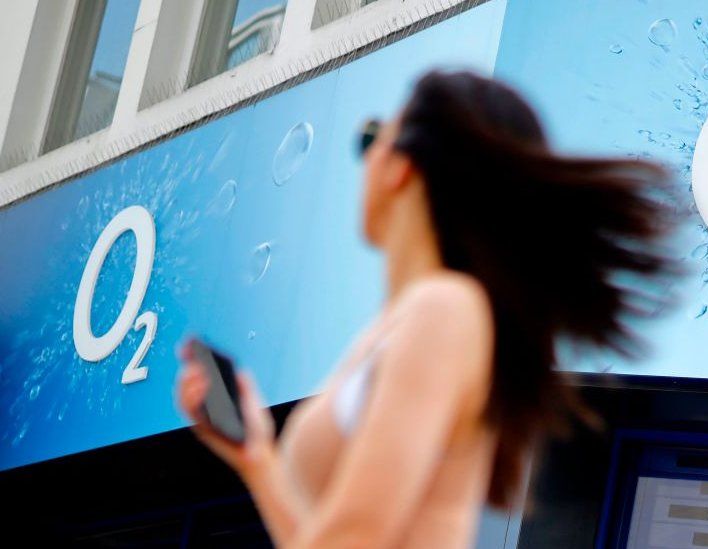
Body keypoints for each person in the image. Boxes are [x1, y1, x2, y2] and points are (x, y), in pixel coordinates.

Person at [175, 69, 677, 548]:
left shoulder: (445, 309)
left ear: (400, 166)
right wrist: (257, 457)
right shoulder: (413, 320)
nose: (365, 161)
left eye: (371, 139)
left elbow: (352, 542)